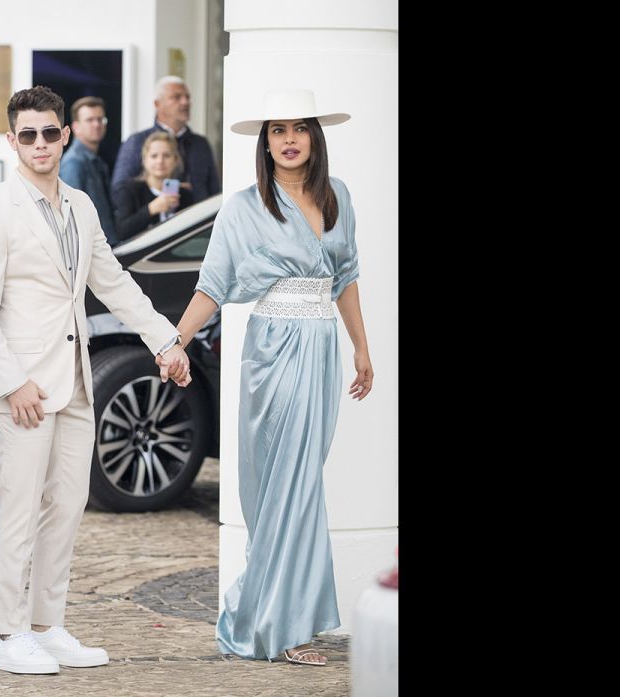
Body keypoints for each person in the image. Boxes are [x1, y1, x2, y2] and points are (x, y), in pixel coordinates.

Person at [0, 85, 191, 676]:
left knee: (67, 504)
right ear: (13, 141)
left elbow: (113, 283)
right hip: (22, 392)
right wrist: (12, 383)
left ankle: (46, 625)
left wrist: (165, 339)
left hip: (77, 380)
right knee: (18, 508)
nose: (40, 143)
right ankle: (8, 634)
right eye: (27, 134)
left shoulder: (83, 207)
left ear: (64, 135)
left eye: (49, 132)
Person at [157, 89, 373, 665]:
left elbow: (346, 276)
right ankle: (279, 627)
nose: (289, 140)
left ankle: (280, 619)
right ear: (266, 142)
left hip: (323, 346)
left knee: (304, 485)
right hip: (273, 348)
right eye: (277, 131)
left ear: (314, 138)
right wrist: (173, 340)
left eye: (299, 129)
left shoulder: (338, 197)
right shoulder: (246, 206)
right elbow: (213, 285)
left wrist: (362, 349)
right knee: (283, 488)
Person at [111, 75, 220, 205]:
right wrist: (157, 188)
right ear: (157, 104)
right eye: (176, 97)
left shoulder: (201, 144)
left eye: (187, 97)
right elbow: (119, 190)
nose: (185, 102)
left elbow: (215, 192)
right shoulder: (137, 141)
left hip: (200, 222)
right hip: (155, 223)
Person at [111, 131, 194, 242]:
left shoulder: (184, 195)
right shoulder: (129, 190)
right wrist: (151, 209)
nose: (160, 161)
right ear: (145, 161)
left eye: (167, 155)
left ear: (175, 160)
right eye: (154, 156)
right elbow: (121, 232)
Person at [58, 96, 117, 244]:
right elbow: (72, 217)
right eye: (90, 120)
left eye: (100, 119)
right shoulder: (73, 163)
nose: (97, 124)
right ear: (75, 127)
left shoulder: (98, 161)